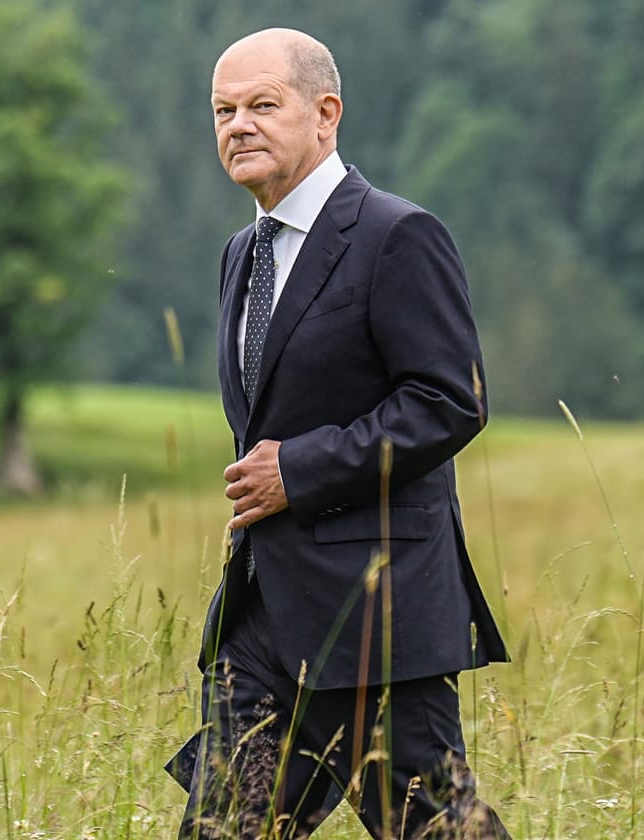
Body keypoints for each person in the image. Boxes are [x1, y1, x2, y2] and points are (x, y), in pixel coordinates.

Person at [165, 28, 512, 839]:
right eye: (223, 110)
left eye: (261, 105)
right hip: (263, 621)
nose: (237, 125)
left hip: (376, 616)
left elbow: (448, 400)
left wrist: (302, 470)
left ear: (326, 114)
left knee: (435, 829)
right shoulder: (239, 256)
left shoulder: (397, 235)